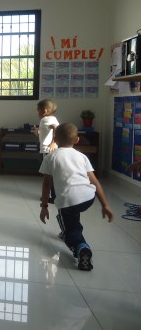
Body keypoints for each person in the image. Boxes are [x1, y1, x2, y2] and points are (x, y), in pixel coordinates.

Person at [39, 123, 113, 271]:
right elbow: (95, 181)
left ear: (55, 139)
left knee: (71, 229)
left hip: (69, 201)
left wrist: (44, 206)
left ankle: (81, 247)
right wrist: (105, 205)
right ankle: (66, 229)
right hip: (88, 197)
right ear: (77, 140)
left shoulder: (50, 157)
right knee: (70, 213)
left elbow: (47, 185)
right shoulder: (82, 156)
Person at [34, 98, 59, 203]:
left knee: (48, 175)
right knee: (51, 174)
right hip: (49, 150)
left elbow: (56, 128)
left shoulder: (45, 119)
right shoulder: (52, 118)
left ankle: (52, 197)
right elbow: (48, 131)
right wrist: (38, 132)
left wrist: (54, 142)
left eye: (38, 111)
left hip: (47, 150)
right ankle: (53, 195)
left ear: (44, 111)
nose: (37, 113)